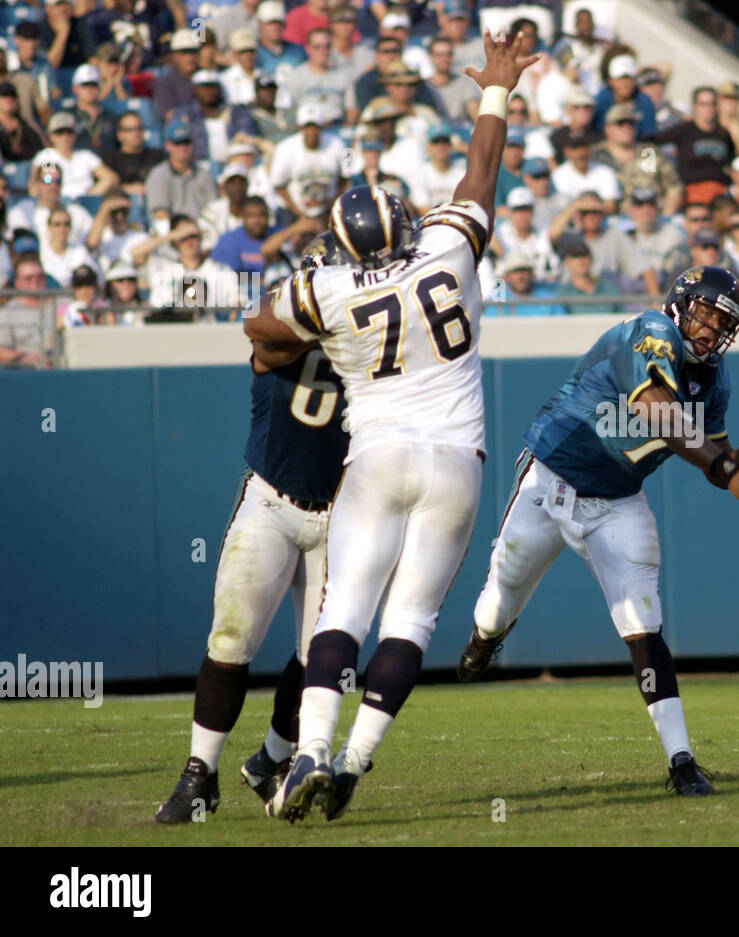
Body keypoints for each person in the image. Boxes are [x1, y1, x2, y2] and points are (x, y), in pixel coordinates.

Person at [244, 30, 540, 823]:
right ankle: (351, 763)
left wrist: (298, 338)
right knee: (411, 623)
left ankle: (307, 749)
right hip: (456, 461)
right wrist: (495, 90)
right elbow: (481, 171)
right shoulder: (446, 247)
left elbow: (257, 329)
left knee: (342, 611)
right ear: (408, 224)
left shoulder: (327, 287)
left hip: (375, 456)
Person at [455, 265, 739, 796]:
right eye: (705, 313)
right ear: (680, 303)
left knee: (643, 621)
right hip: (551, 481)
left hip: (618, 501)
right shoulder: (651, 332)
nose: (710, 329)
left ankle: (681, 761)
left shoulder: (716, 380)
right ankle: (486, 638)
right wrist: (727, 470)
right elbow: (656, 410)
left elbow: (716, 458)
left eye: (723, 322)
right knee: (499, 597)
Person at [154, 239, 352, 824]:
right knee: (232, 639)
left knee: (319, 654)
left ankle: (274, 759)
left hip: (341, 512)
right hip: (270, 500)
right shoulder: (281, 319)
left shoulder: (374, 331)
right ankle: (199, 774)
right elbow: (259, 335)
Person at [651, 87, 735, 207]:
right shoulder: (685, 130)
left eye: (712, 104)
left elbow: (732, 160)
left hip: (721, 193)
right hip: (692, 193)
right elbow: (653, 141)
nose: (708, 109)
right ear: (695, 106)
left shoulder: (723, 133)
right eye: (703, 104)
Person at [269, 104, 346, 221]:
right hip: (294, 210)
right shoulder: (284, 148)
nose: (311, 132)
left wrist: (333, 206)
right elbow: (278, 184)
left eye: (315, 127)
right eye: (307, 127)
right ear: (300, 128)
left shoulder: (338, 144)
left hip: (328, 209)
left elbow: (346, 176)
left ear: (321, 127)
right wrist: (299, 214)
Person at [144, 121, 218, 231]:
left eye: (186, 143)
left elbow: (213, 210)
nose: (183, 147)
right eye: (177, 143)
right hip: (172, 235)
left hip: (201, 231)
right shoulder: (158, 175)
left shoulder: (203, 175)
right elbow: (160, 216)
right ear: (168, 145)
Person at [33, 112, 119, 199]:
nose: (65, 136)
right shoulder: (45, 156)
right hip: (57, 203)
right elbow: (34, 186)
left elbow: (111, 178)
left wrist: (88, 197)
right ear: (51, 136)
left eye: (69, 132)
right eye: (59, 132)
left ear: (75, 135)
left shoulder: (86, 156)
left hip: (85, 204)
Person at [1, 253, 54, 368]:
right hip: (28, 373)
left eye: (39, 277)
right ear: (17, 282)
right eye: (28, 278)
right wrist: (23, 357)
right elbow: (1, 349)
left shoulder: (61, 303)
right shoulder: (8, 313)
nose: (35, 282)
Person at [102, 112, 164, 195]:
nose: (136, 133)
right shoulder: (110, 160)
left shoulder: (158, 156)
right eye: (129, 130)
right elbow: (103, 187)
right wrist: (126, 189)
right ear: (119, 135)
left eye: (139, 128)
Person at [40, 207, 101, 287]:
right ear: (49, 227)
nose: (62, 229)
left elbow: (97, 278)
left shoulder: (80, 251)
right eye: (57, 224)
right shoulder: (40, 251)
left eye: (66, 224)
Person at [494, 250, 567, 316]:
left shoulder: (549, 298)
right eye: (515, 271)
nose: (520, 276)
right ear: (507, 276)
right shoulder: (497, 300)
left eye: (524, 270)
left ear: (532, 274)